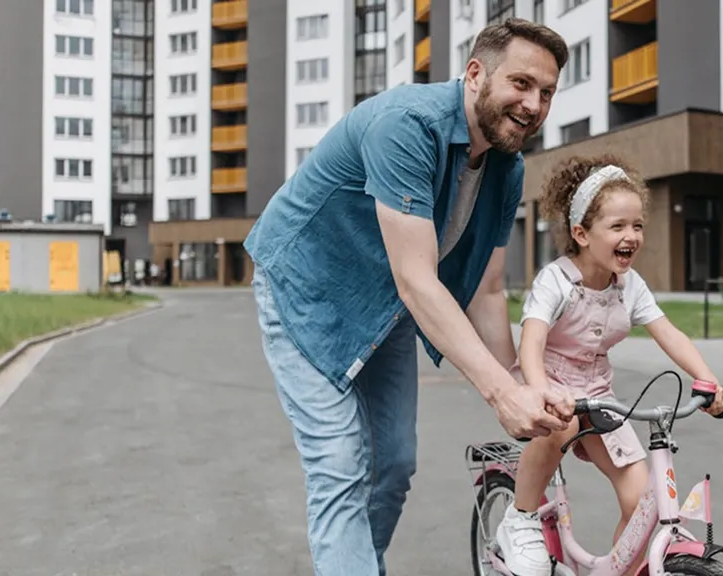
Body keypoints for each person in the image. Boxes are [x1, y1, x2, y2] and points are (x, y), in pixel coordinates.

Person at [243, 18, 578, 576]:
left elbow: (488, 290)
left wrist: (524, 387)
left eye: (546, 92)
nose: (534, 104)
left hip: (385, 301)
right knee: (340, 464)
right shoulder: (407, 124)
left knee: (394, 465)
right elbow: (419, 281)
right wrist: (499, 395)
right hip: (305, 288)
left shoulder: (506, 166)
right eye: (521, 84)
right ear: (475, 74)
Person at [494, 154, 723, 576]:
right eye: (618, 226)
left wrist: (707, 377)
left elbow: (669, 333)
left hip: (598, 396)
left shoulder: (630, 287)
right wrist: (538, 388)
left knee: (641, 502)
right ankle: (522, 517)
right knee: (559, 424)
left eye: (637, 225)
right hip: (548, 384)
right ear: (582, 233)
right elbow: (531, 341)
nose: (631, 235)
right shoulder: (556, 280)